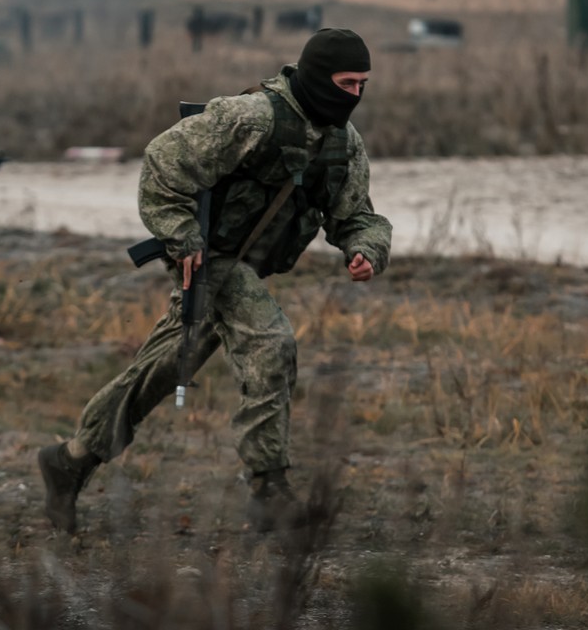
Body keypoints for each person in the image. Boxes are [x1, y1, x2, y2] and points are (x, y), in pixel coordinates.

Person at [37, 28, 393, 534]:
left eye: (363, 84)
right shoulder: (251, 117)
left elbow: (355, 214)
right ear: (317, 78)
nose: (354, 95)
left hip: (240, 264)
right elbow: (163, 162)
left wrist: (365, 250)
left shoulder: (343, 142)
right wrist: (182, 235)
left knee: (163, 366)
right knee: (271, 343)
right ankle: (269, 488)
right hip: (210, 257)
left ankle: (70, 459)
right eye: (346, 82)